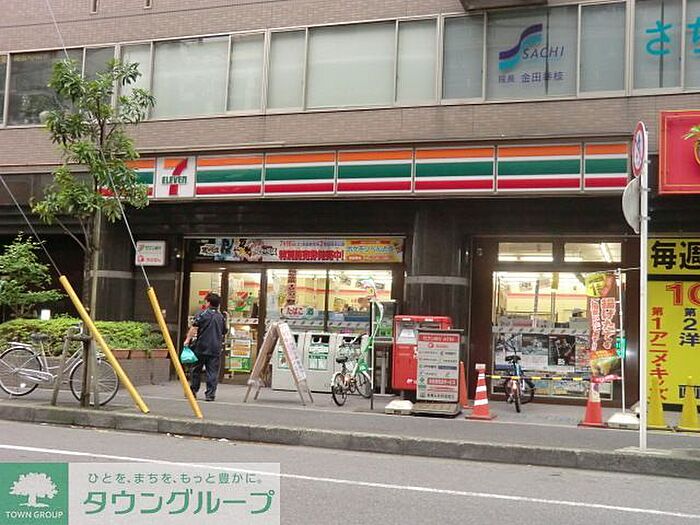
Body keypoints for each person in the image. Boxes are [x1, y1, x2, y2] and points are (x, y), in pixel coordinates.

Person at [184, 292, 226, 401]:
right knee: (212, 372)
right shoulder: (221, 317)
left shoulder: (202, 314)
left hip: (202, 346)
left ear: (208, 302)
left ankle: (193, 391)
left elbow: (194, 327)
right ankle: (210, 394)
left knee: (196, 369)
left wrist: (187, 340)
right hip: (215, 348)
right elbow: (224, 331)